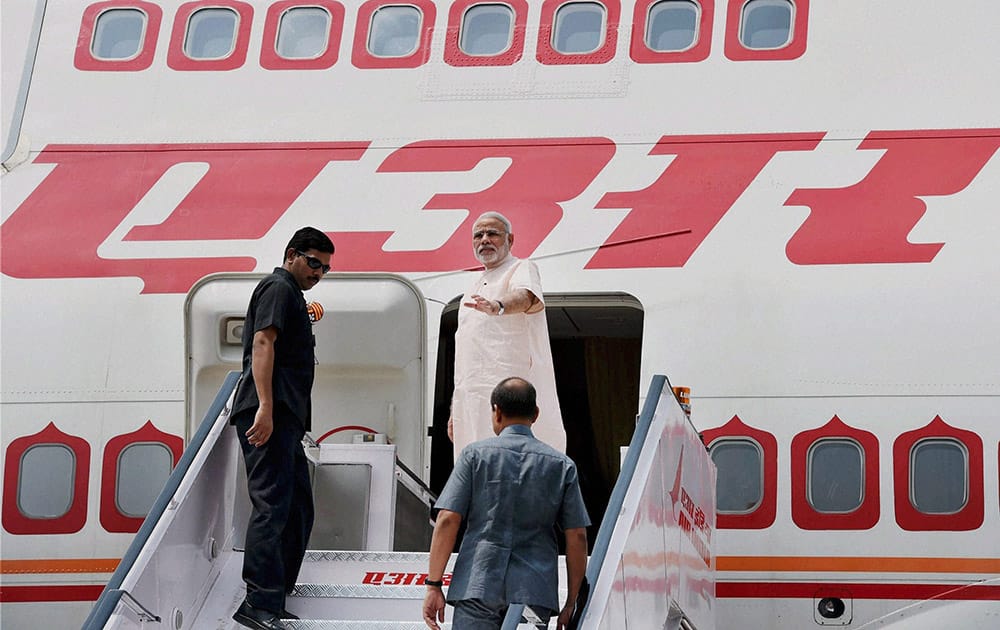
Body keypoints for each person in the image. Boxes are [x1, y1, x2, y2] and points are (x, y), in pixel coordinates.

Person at [230, 227, 334, 630]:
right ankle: (257, 602)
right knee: (272, 505)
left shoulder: (294, 294)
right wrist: (266, 408)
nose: (319, 273)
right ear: (292, 255)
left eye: (325, 268)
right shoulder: (278, 287)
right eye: (313, 263)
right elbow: (262, 343)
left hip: (285, 417)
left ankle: (275, 595)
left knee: (297, 508)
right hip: (266, 412)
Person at [423, 377, 590, 630]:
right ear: (535, 414)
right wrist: (571, 602)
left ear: (496, 412)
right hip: (533, 591)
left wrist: (434, 584)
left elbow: (447, 519)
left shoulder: (473, 455)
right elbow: (577, 536)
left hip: (478, 584)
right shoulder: (562, 465)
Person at [450, 212, 566, 456]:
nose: (484, 240)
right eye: (478, 235)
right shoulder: (471, 284)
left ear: (510, 240)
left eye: (492, 234)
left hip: (510, 394)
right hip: (470, 398)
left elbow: (526, 297)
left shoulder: (521, 267)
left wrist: (498, 306)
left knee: (509, 460)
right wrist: (455, 409)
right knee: (473, 461)